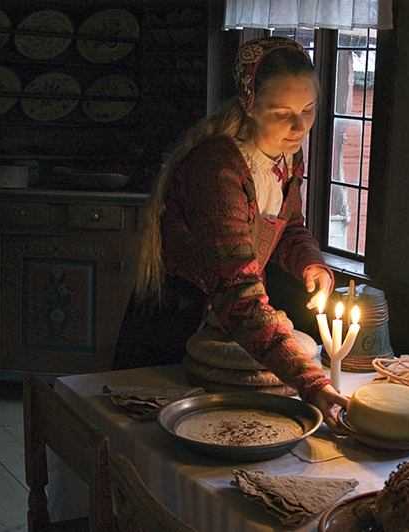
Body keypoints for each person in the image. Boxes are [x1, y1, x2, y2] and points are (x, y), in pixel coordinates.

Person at [114, 36, 348, 429]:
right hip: (178, 324)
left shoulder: (287, 155)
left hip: (236, 317)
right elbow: (237, 292)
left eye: (308, 110)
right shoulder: (219, 168)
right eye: (282, 112)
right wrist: (311, 382)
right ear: (250, 104)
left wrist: (311, 262)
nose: (299, 126)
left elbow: (288, 224)